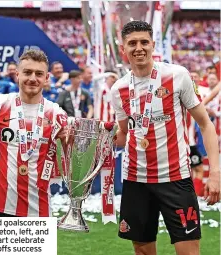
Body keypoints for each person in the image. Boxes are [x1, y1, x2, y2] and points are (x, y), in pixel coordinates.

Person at [110, 20, 220, 255]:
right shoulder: (118, 89)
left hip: (175, 178)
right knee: (142, 252)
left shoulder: (178, 75)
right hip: (136, 180)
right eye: (132, 43)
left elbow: (205, 124)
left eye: (144, 42)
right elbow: (122, 135)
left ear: (152, 45)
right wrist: (97, 135)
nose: (138, 48)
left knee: (189, 252)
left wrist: (216, 173)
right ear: (123, 49)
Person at [0, 49, 67, 217]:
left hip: (40, 211)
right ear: (17, 75)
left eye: (39, 74)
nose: (33, 78)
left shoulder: (57, 114)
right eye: (27, 72)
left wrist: (68, 143)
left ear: (47, 78)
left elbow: (67, 163)